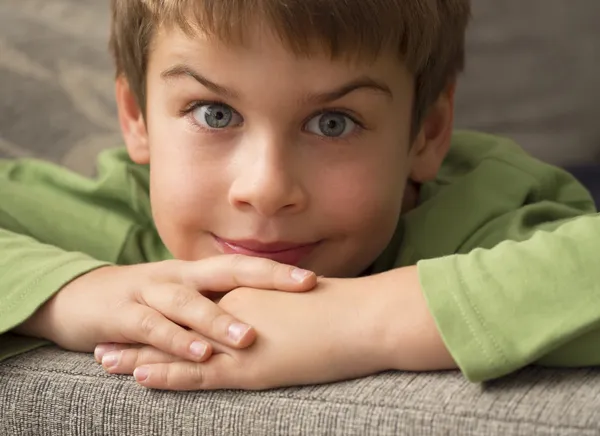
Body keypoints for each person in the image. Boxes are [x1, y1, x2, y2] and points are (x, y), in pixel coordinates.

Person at [0, 0, 597, 391]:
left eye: (333, 122)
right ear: (137, 117)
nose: (265, 189)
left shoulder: (488, 207)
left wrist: (362, 319)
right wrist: (69, 294)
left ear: (427, 132)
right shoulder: (115, 209)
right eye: (214, 113)